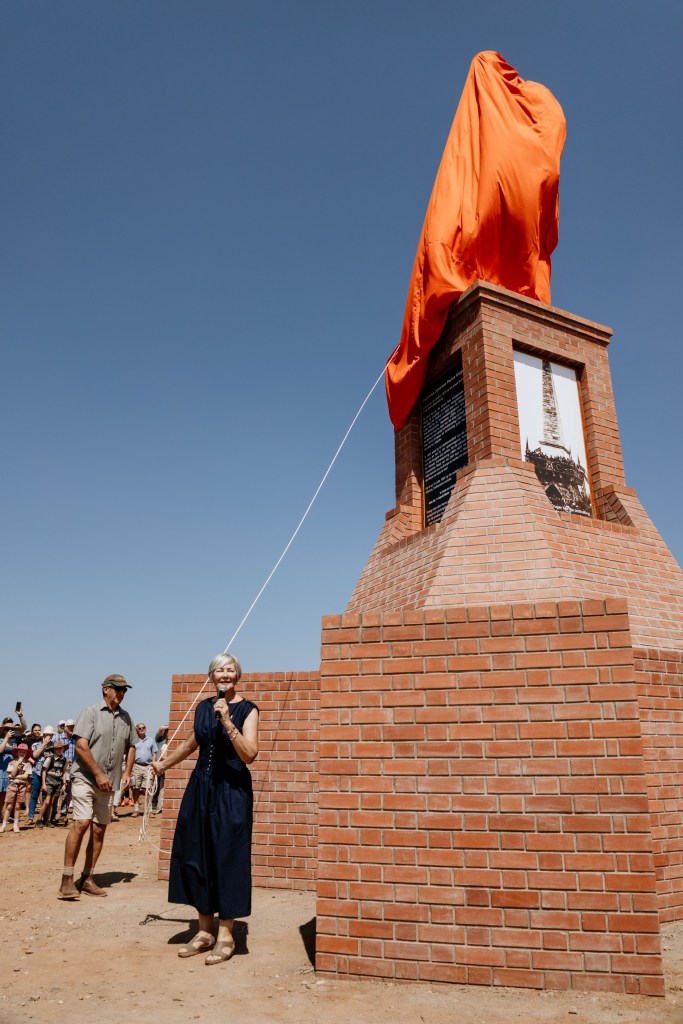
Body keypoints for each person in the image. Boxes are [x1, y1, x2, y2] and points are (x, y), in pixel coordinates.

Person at [153, 653, 259, 964]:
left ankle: (226, 934)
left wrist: (227, 720)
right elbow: (189, 745)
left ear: (237, 675)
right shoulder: (202, 708)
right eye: (219, 670)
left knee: (226, 855)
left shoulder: (247, 709)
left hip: (232, 791)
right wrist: (162, 765)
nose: (224, 674)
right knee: (197, 854)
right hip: (201, 789)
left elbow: (250, 754)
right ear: (211, 676)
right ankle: (204, 930)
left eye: (230, 670)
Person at [57, 674, 137, 900]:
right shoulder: (90, 712)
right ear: (105, 690)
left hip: (109, 781)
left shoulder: (126, 718)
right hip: (85, 777)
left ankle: (87, 878)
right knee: (81, 823)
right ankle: (66, 879)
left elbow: (131, 746)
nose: (121, 693)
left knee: (99, 829)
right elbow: (81, 746)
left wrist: (128, 772)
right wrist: (98, 773)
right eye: (117, 689)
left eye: (124, 690)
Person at [1, 743, 33, 833]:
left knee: (18, 806)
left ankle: (15, 825)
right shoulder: (12, 763)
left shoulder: (28, 764)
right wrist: (17, 764)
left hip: (22, 786)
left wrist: (14, 777)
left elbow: (25, 776)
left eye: (24, 752)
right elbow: (12, 774)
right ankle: (3, 825)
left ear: (26, 753)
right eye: (20, 751)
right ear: (17, 753)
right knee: (9, 806)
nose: (22, 753)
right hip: (12, 785)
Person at [37, 739, 68, 826]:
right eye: (57, 748)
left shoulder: (64, 760)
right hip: (49, 780)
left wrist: (64, 784)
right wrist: (43, 783)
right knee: (47, 801)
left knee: (53, 801)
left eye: (61, 748)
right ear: (54, 749)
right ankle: (39, 819)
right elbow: (44, 771)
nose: (59, 749)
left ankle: (48, 820)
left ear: (63, 749)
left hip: (58, 781)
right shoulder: (50, 758)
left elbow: (64, 772)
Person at [130, 723, 157, 816]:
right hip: (136, 766)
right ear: (137, 730)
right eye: (140, 728)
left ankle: (149, 810)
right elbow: (130, 755)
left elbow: (154, 754)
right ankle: (136, 809)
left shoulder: (151, 740)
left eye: (143, 727)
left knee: (148, 788)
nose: (142, 729)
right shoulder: (133, 741)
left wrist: (153, 765)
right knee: (135, 788)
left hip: (148, 767)